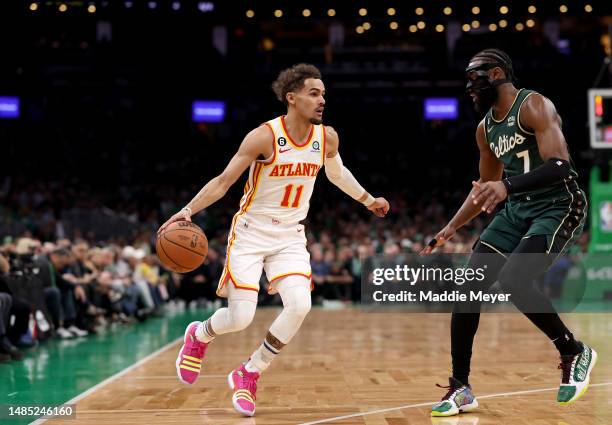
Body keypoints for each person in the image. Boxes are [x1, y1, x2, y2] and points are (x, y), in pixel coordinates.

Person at [159, 63, 389, 416]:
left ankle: (249, 372)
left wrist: (368, 199)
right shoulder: (263, 136)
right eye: (314, 93)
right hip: (251, 232)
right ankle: (199, 335)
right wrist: (188, 210)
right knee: (240, 318)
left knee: (300, 305)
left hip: (290, 235)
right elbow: (223, 182)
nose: (322, 100)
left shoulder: (326, 137)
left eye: (324, 94)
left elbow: (337, 173)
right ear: (291, 98)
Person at [422, 49, 597, 416]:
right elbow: (486, 187)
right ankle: (461, 387)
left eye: (474, 79)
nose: (469, 88)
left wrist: (508, 187)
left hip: (558, 205)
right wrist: (450, 228)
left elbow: (562, 166)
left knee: (517, 279)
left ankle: (573, 351)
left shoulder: (532, 105)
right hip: (518, 210)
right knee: (468, 286)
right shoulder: (485, 129)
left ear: (497, 73)